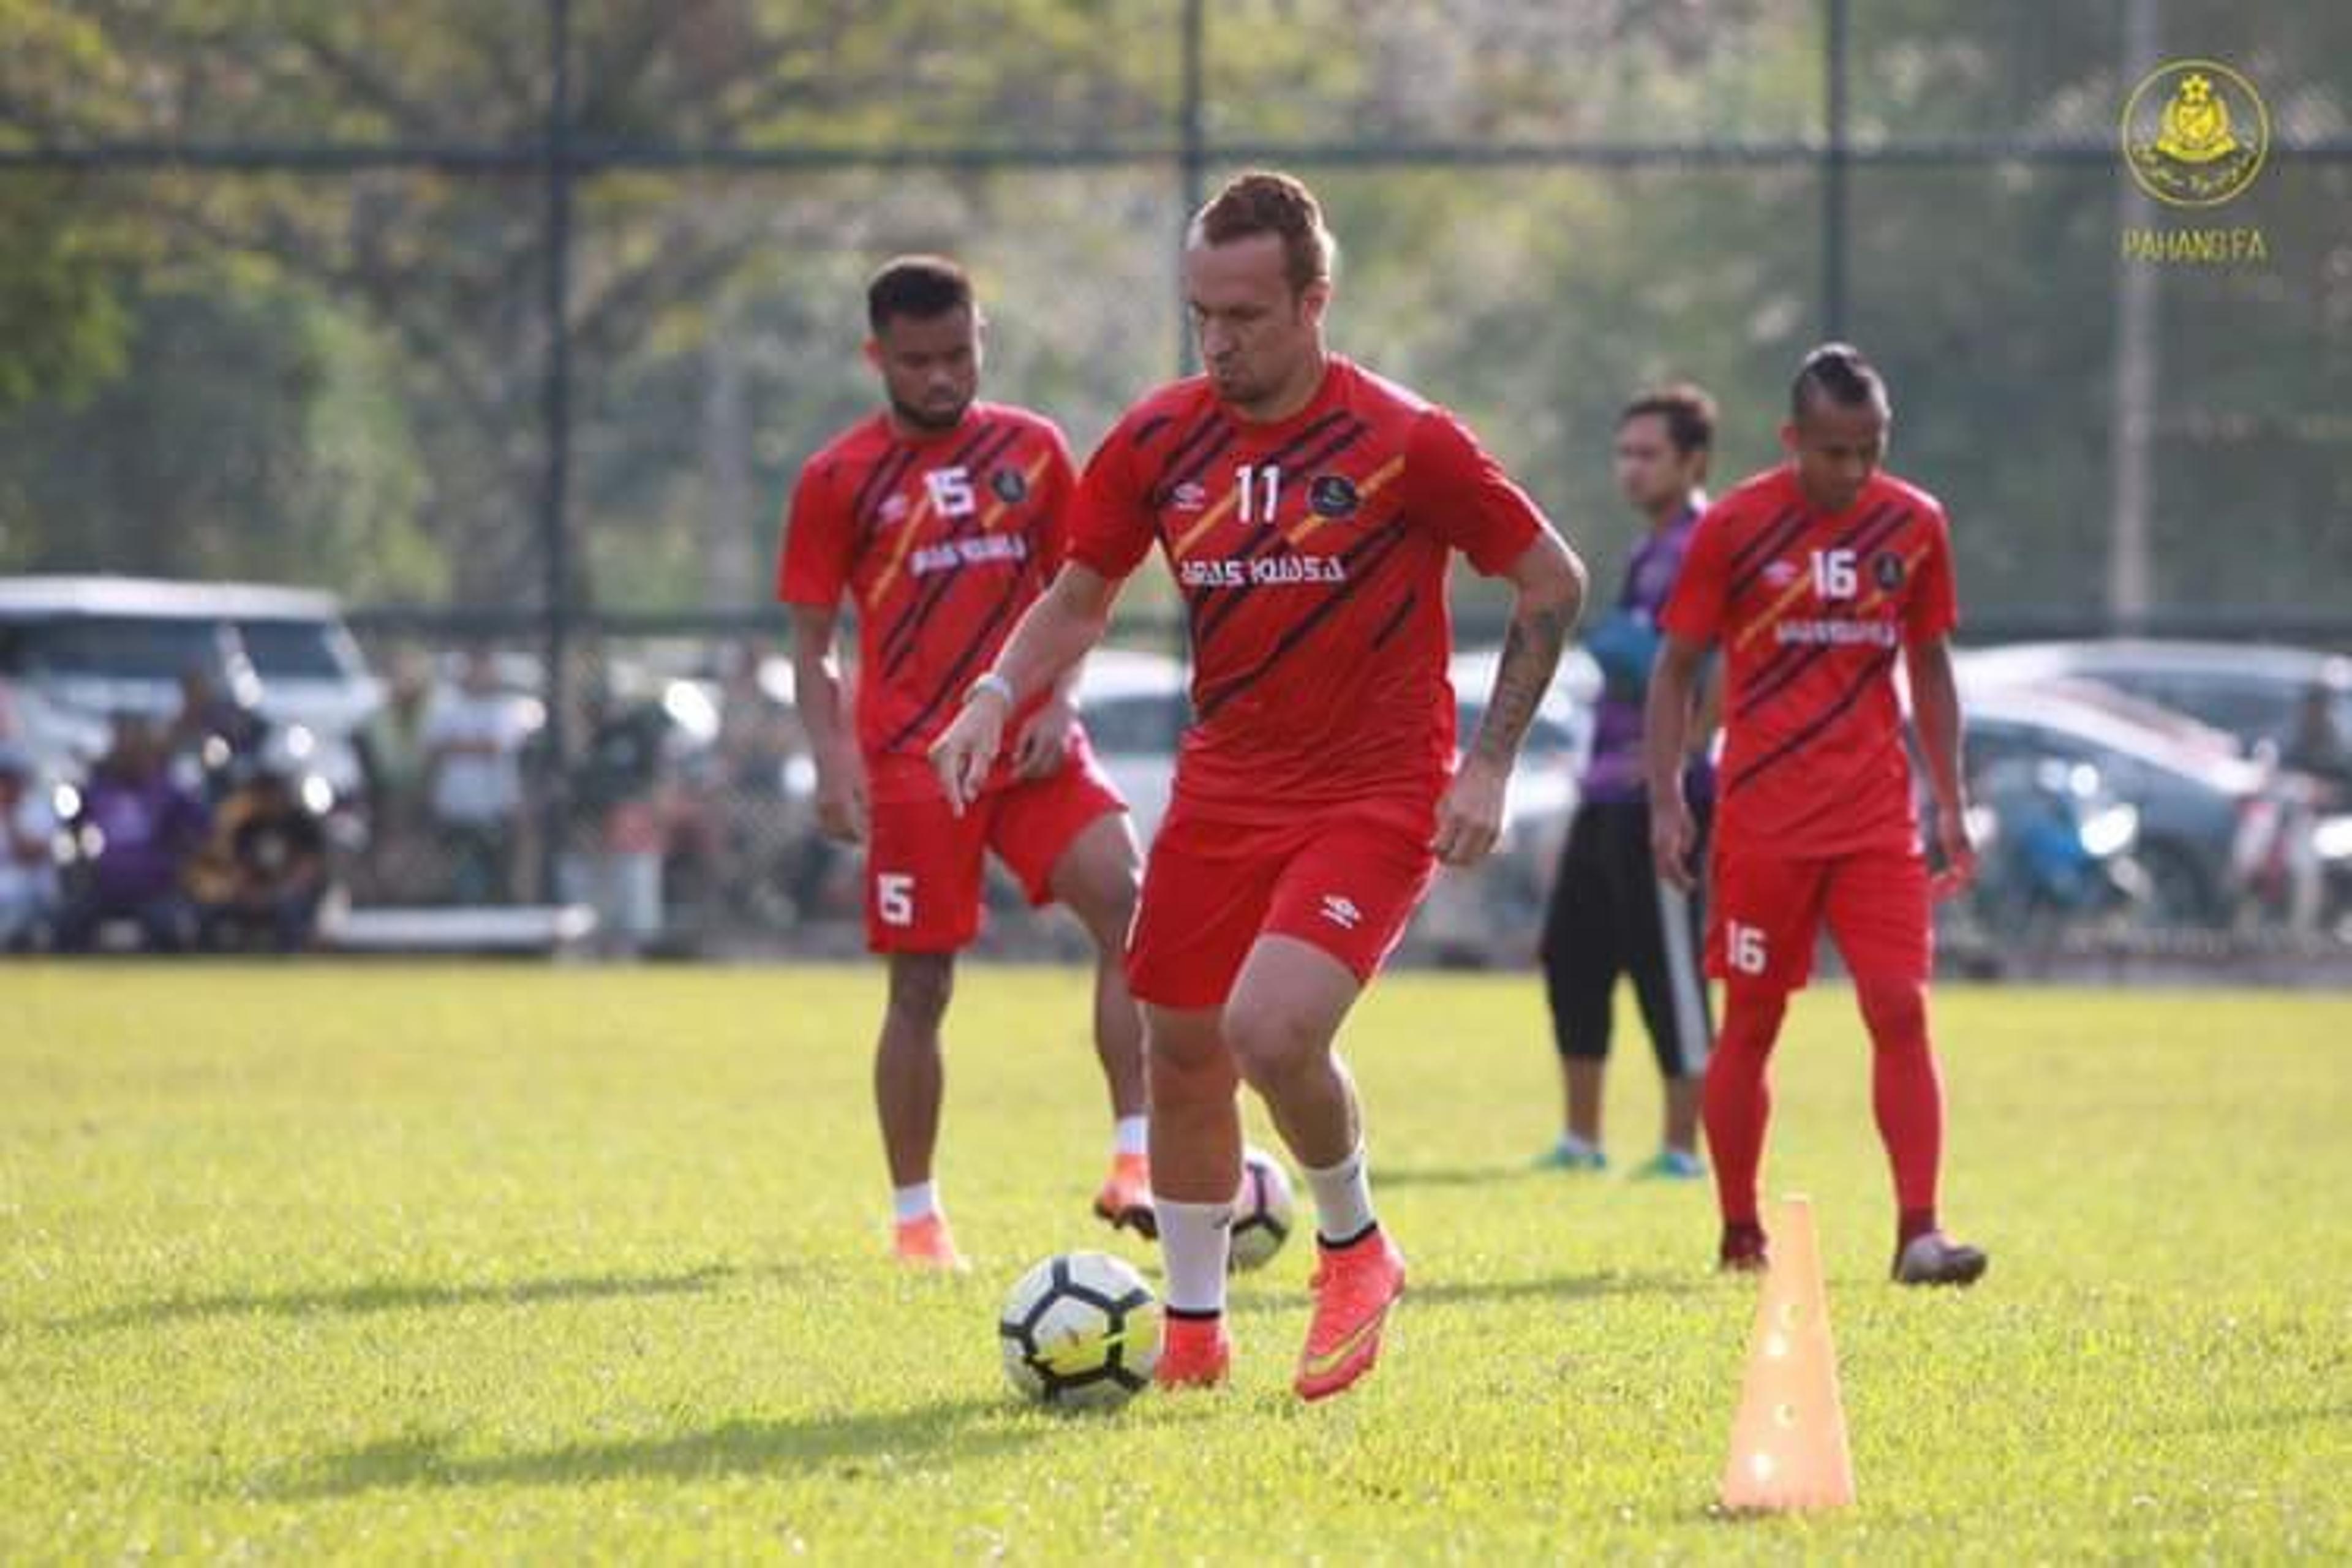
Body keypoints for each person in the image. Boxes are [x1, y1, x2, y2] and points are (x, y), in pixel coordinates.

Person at [930, 172, 1587, 1399]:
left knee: (1269, 1027)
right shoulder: (1159, 438)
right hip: (1225, 788)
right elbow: (1080, 596)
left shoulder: (1406, 439)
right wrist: (988, 693)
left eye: (1245, 315)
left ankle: (1355, 1244)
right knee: (1180, 1051)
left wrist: (1489, 762)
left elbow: (1551, 577)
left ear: (1313, 302)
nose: (1220, 342)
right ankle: (1191, 1335)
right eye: (1202, 316)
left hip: (1378, 789)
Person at [780, 254, 1151, 1271]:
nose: (942, 378)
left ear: (982, 337)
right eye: (918, 361)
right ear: (877, 358)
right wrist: (831, 756)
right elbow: (814, 639)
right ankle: (917, 1219)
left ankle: (1136, 1163)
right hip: (911, 761)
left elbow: (1082, 592)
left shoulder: (1033, 451)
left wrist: (1061, 701)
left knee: (1134, 910)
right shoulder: (837, 478)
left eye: (958, 354)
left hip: (1031, 743)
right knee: (922, 989)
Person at [1644, 342, 1988, 1286]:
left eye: (1871, 449)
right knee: (1751, 1020)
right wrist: (1669, 799)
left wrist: (1951, 806)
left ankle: (1920, 1231)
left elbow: (1931, 664)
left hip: (1877, 821)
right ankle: (1738, 1231)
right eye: (1836, 450)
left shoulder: (1914, 524)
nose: (1854, 471)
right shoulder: (1739, 528)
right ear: (1793, 439)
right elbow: (1676, 670)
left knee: (1899, 1008)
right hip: (1764, 823)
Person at [1536, 385, 1719, 1179]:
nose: (1631, 469)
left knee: (1664, 966)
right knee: (1570, 953)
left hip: (1664, 797)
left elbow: (1728, 666)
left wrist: (1679, 763)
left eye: (1649, 455)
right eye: (1625, 453)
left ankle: (1682, 1149)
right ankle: (1582, 1139)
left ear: (1693, 461)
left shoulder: (1706, 544)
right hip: (1604, 787)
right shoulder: (1650, 550)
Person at [57, 714, 209, 953]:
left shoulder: (169, 791)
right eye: (123, 747)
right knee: (67, 923)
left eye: (134, 748)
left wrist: (181, 861)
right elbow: (71, 824)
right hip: (104, 887)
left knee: (175, 931)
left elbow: (200, 829)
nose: (128, 755)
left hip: (155, 890)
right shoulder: (98, 789)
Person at [184, 731, 330, 952]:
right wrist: (247, 892)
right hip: (249, 893)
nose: (271, 795)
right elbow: (233, 864)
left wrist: (274, 894)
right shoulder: (246, 822)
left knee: (292, 911)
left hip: (284, 894)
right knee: (209, 911)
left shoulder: (301, 824)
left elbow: (306, 873)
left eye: (276, 788)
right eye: (266, 788)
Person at [423, 647, 532, 905]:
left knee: (499, 873)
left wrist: (455, 745)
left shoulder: (506, 708)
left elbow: (495, 746)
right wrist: (469, 746)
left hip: (497, 807)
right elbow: (432, 748)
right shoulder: (447, 706)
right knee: (464, 873)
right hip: (456, 807)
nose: (478, 676)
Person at [0, 744, 62, 951]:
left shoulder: (37, 809)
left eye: (8, 779)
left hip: (32, 895)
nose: (4, 785)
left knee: (15, 913)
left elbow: (30, 855)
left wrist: (10, 817)